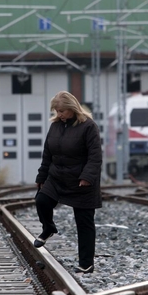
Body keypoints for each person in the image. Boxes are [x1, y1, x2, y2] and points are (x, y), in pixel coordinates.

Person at [34, 90, 102, 274]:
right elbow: (47, 154)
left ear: (72, 109)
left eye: (62, 111)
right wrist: (41, 177)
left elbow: (95, 156)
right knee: (42, 201)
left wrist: (87, 177)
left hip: (81, 182)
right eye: (56, 111)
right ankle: (48, 228)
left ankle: (86, 264)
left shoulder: (88, 126)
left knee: (84, 223)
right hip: (57, 177)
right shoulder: (55, 126)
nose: (59, 115)